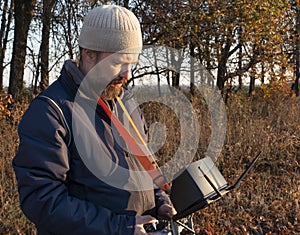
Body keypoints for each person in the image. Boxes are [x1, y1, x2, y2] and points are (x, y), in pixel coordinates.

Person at [12, 5, 176, 235]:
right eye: (118, 63)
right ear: (88, 53)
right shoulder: (51, 112)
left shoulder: (125, 101)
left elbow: (143, 166)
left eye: (132, 64)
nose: (127, 75)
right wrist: (121, 228)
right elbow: (42, 201)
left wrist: (160, 200)